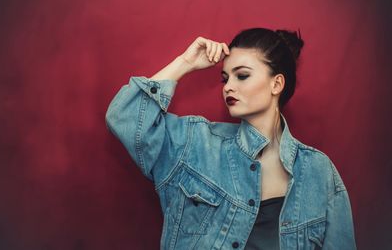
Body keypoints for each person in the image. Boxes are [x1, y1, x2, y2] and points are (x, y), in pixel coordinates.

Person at [105, 27, 357, 250]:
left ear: (277, 84)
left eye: (242, 75)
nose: (227, 87)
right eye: (225, 78)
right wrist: (185, 62)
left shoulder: (318, 172)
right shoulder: (195, 144)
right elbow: (124, 117)